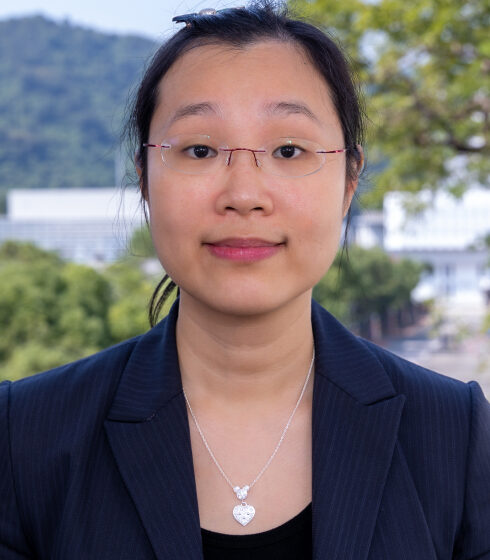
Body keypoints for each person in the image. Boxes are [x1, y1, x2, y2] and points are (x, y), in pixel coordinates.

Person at [1, 3, 489, 559]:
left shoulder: (455, 433)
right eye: (200, 150)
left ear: (350, 181)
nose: (244, 194)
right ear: (144, 179)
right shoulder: (24, 438)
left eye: (288, 150)